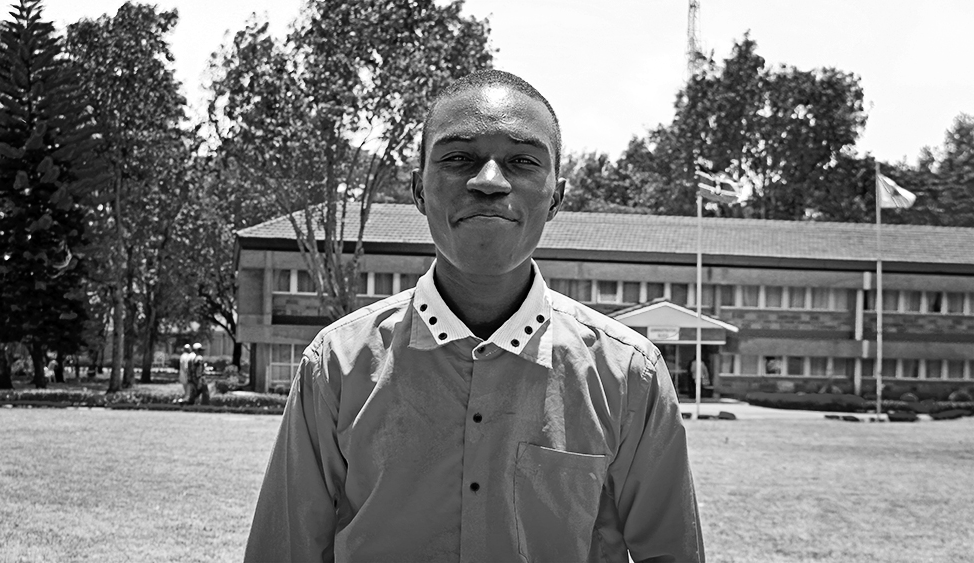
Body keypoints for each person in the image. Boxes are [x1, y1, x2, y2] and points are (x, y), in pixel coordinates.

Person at [245, 70, 704, 562]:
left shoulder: (629, 374)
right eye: (459, 157)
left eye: (522, 161)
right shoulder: (336, 365)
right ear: (419, 189)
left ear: (556, 196)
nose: (489, 181)